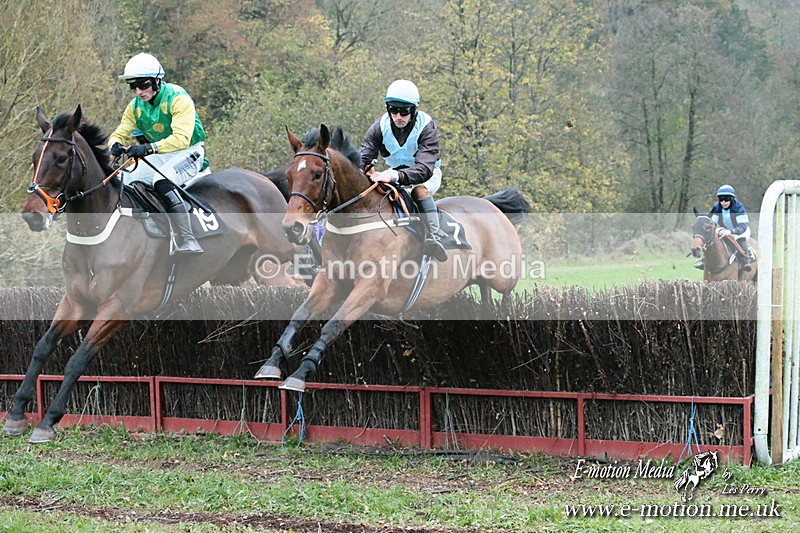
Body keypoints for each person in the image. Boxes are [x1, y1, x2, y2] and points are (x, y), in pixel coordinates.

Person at [108, 53, 206, 254]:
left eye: (143, 85)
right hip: (161, 153)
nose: (138, 91)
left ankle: (188, 239)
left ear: (157, 81)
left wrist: (147, 148)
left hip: (188, 151)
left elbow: (181, 139)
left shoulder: (178, 98)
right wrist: (115, 144)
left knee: (162, 180)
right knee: (120, 180)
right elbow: (120, 132)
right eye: (133, 86)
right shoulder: (135, 106)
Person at [360, 79, 448, 262]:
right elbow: (364, 156)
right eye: (393, 110)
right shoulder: (379, 126)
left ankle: (434, 237)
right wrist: (367, 170)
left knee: (418, 190)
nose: (398, 116)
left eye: (404, 111)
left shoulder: (426, 126)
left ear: (414, 110)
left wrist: (392, 175)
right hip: (396, 174)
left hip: (427, 174)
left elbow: (424, 169)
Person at [696, 184, 752, 271]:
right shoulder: (717, 207)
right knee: (712, 238)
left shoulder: (738, 207)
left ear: (732, 199)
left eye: (726, 199)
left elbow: (743, 226)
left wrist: (731, 231)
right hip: (725, 229)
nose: (723, 202)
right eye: (721, 199)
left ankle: (745, 261)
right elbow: (713, 222)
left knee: (740, 238)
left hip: (740, 230)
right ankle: (704, 260)